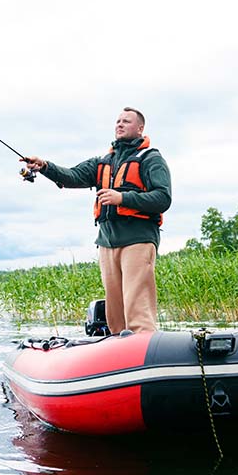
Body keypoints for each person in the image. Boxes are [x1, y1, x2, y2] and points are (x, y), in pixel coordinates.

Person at [21, 107, 172, 333]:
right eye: (118, 121)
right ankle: (118, 353)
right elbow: (71, 176)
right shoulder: (103, 161)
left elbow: (163, 198)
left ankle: (144, 346)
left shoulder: (152, 159)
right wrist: (43, 166)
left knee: (137, 308)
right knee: (114, 314)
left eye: (126, 121)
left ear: (140, 128)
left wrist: (122, 198)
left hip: (138, 240)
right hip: (107, 243)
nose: (120, 124)